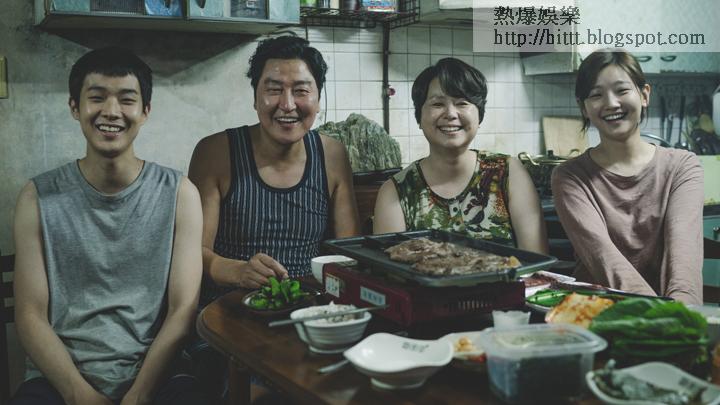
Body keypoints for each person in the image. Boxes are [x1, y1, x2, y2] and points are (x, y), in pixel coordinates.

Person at [11, 47, 205, 404]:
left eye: (127, 99)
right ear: (75, 107)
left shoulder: (180, 194)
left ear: (145, 111)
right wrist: (79, 394)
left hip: (158, 375)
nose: (112, 111)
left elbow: (183, 309)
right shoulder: (37, 197)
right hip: (60, 379)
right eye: (97, 97)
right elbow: (29, 314)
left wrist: (139, 395)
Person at [188, 35, 360, 300]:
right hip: (228, 309)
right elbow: (191, 253)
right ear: (255, 98)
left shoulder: (332, 154)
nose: (287, 105)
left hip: (310, 306)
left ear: (317, 99)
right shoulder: (216, 152)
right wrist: (237, 270)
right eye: (274, 89)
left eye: (301, 91)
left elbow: (348, 253)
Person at [551, 49, 704, 304]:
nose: (611, 103)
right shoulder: (569, 177)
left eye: (621, 90)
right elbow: (604, 258)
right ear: (584, 108)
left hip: (673, 313)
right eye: (596, 95)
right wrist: (662, 314)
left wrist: (680, 316)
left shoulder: (683, 166)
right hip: (597, 314)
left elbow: (684, 260)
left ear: (644, 95)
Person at [373, 57, 548, 254]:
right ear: (419, 117)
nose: (450, 113)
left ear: (479, 115)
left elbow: (537, 261)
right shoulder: (396, 191)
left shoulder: (507, 173)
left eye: (462, 103)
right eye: (437, 104)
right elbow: (389, 268)